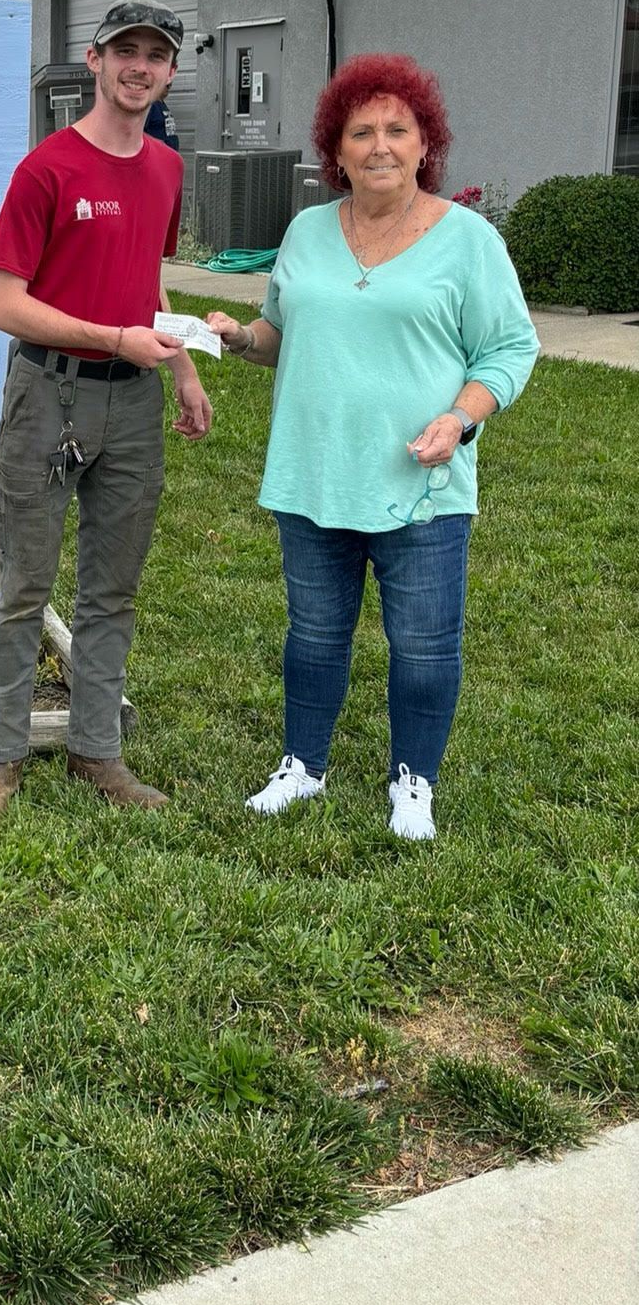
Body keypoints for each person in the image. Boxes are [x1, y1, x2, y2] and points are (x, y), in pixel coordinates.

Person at [205, 52, 539, 841]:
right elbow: (280, 332)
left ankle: (413, 781)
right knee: (313, 635)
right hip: (313, 473)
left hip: (420, 482)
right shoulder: (307, 231)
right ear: (338, 149)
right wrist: (236, 337)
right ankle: (303, 767)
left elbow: (509, 350)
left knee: (423, 644)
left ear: (427, 144)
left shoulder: (469, 241)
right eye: (362, 131)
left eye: (399, 129)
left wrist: (460, 417)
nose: (380, 145)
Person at [0, 0, 213, 824]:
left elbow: (145, 277)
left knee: (114, 589)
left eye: (157, 55)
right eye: (125, 51)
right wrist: (111, 336)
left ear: (172, 72)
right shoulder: (48, 170)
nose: (141, 67)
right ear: (95, 62)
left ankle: (96, 750)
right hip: (49, 394)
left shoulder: (167, 168)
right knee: (23, 588)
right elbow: (2, 304)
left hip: (135, 401)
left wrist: (181, 373)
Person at [144, 65, 180, 151]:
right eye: (166, 86)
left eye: (170, 86)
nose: (168, 88)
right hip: (156, 155)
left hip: (169, 154)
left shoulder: (162, 104)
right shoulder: (150, 105)